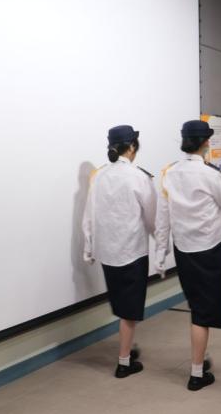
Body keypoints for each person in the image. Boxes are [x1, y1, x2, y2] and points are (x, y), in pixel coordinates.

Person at [154, 119, 221, 391]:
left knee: (198, 307)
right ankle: (197, 373)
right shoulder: (210, 174)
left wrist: (160, 252)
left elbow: (162, 217)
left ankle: (201, 359)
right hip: (210, 249)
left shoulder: (169, 173)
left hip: (184, 249)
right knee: (203, 313)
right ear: (206, 143)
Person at [82, 125, 156, 378]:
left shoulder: (99, 176)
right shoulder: (138, 177)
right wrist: (161, 241)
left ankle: (127, 348)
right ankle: (124, 362)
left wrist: (89, 247)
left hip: (108, 252)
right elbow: (152, 217)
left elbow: (89, 214)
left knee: (122, 304)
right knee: (130, 309)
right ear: (132, 147)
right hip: (132, 251)